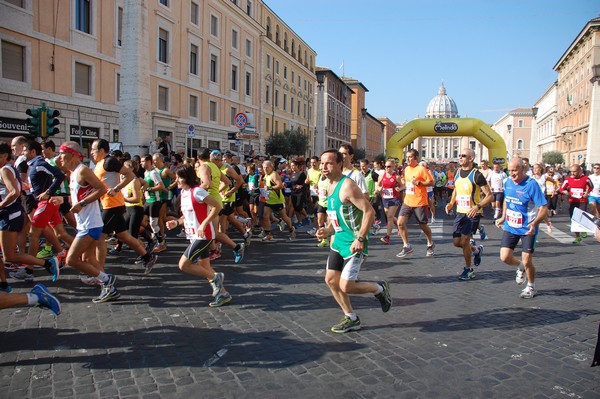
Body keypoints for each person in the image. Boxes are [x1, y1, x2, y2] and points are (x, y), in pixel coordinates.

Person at [316, 150, 391, 333]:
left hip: (354, 243)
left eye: (329, 163)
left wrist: (360, 238)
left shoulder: (347, 185)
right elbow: (337, 218)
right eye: (322, 163)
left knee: (346, 285)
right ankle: (351, 318)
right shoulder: (328, 185)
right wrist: (327, 230)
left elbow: (369, 212)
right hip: (338, 242)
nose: (323, 167)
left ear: (340, 164)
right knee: (331, 281)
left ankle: (379, 288)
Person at [58, 141, 120, 302]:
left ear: (72, 154)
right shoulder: (73, 173)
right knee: (88, 259)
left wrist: (82, 204)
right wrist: (62, 199)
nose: (60, 157)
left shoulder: (83, 171)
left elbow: (101, 189)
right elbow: (79, 196)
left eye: (62, 154)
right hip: (84, 223)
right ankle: (107, 287)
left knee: (71, 260)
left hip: (90, 224)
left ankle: (107, 280)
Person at [166, 165, 232, 307]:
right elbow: (187, 214)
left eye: (179, 177)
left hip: (204, 236)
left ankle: (216, 277)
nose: (176, 180)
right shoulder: (184, 193)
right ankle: (223, 294)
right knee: (205, 266)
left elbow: (217, 207)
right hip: (193, 235)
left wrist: (204, 224)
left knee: (183, 265)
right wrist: (177, 222)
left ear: (187, 178)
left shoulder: (198, 192)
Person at [91, 139, 158, 272]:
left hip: (113, 205)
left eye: (93, 150)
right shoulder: (99, 164)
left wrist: (116, 188)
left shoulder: (109, 161)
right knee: (124, 236)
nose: (91, 152)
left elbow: (130, 175)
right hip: (109, 204)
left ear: (102, 151)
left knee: (100, 239)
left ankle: (99, 273)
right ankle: (147, 257)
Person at [0, 142, 60, 284]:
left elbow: (14, 192)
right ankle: (5, 284)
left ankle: (47, 263)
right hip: (11, 212)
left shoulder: (5, 170)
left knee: (9, 256)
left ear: (3, 156)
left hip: (10, 213)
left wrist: (1, 205)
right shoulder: (9, 168)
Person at [495, 157, 548, 299]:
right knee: (504, 257)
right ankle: (519, 267)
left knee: (527, 260)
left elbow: (543, 208)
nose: (512, 174)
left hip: (528, 228)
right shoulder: (507, 182)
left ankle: (531, 286)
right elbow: (507, 199)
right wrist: (503, 216)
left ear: (522, 169)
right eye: (510, 170)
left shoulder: (532, 185)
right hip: (511, 226)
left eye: (515, 170)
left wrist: (535, 223)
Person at [445, 148, 492, 280]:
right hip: (460, 212)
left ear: (471, 158)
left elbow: (489, 196)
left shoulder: (477, 175)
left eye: (463, 156)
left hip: (472, 214)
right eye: (459, 155)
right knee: (456, 242)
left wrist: (477, 207)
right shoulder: (457, 172)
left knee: (465, 240)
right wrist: (451, 203)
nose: (460, 157)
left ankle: (468, 269)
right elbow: (456, 190)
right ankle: (477, 250)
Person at [396, 149, 435, 257]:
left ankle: (430, 243)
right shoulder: (407, 169)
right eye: (406, 156)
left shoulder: (421, 169)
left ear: (416, 158)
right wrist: (401, 187)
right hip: (408, 201)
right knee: (400, 223)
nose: (407, 159)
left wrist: (419, 182)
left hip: (420, 202)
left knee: (423, 225)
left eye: (410, 157)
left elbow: (432, 182)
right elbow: (408, 183)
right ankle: (406, 246)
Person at [560, 164, 593, 244]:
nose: (572, 173)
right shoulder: (568, 179)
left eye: (574, 171)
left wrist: (587, 193)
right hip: (572, 201)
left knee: (582, 215)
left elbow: (591, 187)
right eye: (571, 171)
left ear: (579, 171)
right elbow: (561, 188)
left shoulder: (586, 179)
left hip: (582, 201)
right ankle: (577, 237)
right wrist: (565, 192)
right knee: (573, 219)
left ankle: (583, 230)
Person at [377, 159, 402, 245]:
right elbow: (378, 185)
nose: (387, 168)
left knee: (390, 217)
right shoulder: (381, 175)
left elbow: (403, 185)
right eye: (386, 166)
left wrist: (400, 188)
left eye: (389, 166)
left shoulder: (397, 177)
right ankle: (400, 225)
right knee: (390, 216)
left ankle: (387, 237)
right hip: (385, 198)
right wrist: (379, 189)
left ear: (393, 167)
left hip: (394, 198)